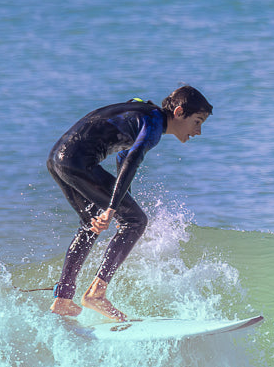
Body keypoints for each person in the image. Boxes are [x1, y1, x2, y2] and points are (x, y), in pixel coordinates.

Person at [47, 85, 212, 321]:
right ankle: (96, 294)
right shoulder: (154, 125)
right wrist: (115, 209)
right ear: (178, 112)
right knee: (136, 221)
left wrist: (118, 207)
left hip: (57, 159)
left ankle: (62, 298)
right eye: (197, 121)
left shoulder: (144, 112)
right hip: (77, 161)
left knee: (90, 223)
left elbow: (123, 154)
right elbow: (133, 159)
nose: (198, 131)